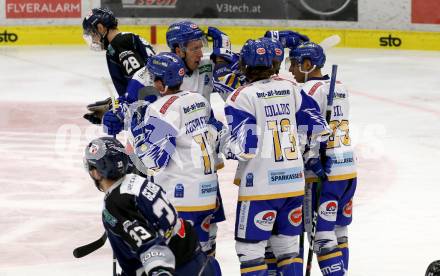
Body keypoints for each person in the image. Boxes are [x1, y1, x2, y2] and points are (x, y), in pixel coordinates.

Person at [222, 39, 331, 276]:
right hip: (293, 184)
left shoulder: (240, 96)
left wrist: (221, 143)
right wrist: (306, 153)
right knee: (288, 251)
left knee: (250, 252)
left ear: (244, 65)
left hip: (260, 188)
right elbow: (319, 128)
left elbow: (244, 148)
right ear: (274, 63)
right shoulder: (290, 88)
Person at [83, 136, 216, 276]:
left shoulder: (117, 202)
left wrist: (159, 271)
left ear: (95, 173)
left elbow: (149, 244)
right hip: (197, 260)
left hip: (176, 269)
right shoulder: (137, 181)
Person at [289, 41, 357, 276]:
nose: (290, 70)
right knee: (340, 230)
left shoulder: (307, 90)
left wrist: (310, 158)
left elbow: (308, 131)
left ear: (308, 64)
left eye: (294, 64)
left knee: (321, 236)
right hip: (348, 169)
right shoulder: (340, 86)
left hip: (323, 173)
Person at [165, 22, 227, 256]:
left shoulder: (207, 67)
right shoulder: (159, 74)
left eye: (201, 47)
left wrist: (226, 55)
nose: (201, 53)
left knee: (208, 230)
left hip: (204, 160)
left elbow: (248, 75)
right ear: (178, 50)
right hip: (177, 166)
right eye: (194, 48)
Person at [82, 8, 156, 124]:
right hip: (153, 110)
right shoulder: (126, 39)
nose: (93, 39)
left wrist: (119, 111)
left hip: (151, 116)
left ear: (100, 28)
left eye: (92, 33)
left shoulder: (119, 45)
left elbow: (143, 86)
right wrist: (115, 105)